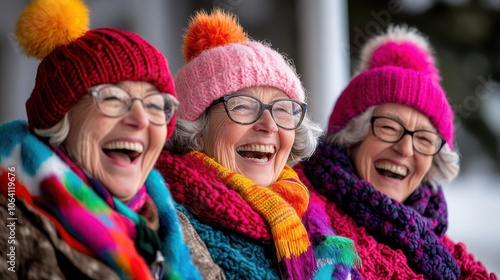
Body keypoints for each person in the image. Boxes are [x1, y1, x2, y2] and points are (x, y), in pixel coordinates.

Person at [0, 0, 207, 279]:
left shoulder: (173, 222)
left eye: (156, 105)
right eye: (113, 99)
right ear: (60, 118)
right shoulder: (9, 218)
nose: (141, 119)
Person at [155, 8, 361, 280]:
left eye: (283, 109)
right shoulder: (167, 224)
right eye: (242, 106)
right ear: (196, 129)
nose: (269, 125)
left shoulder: (313, 217)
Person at [294, 25, 498, 280]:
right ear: (351, 136)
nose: (405, 149)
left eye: (424, 139)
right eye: (389, 128)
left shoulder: (435, 241)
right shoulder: (302, 214)